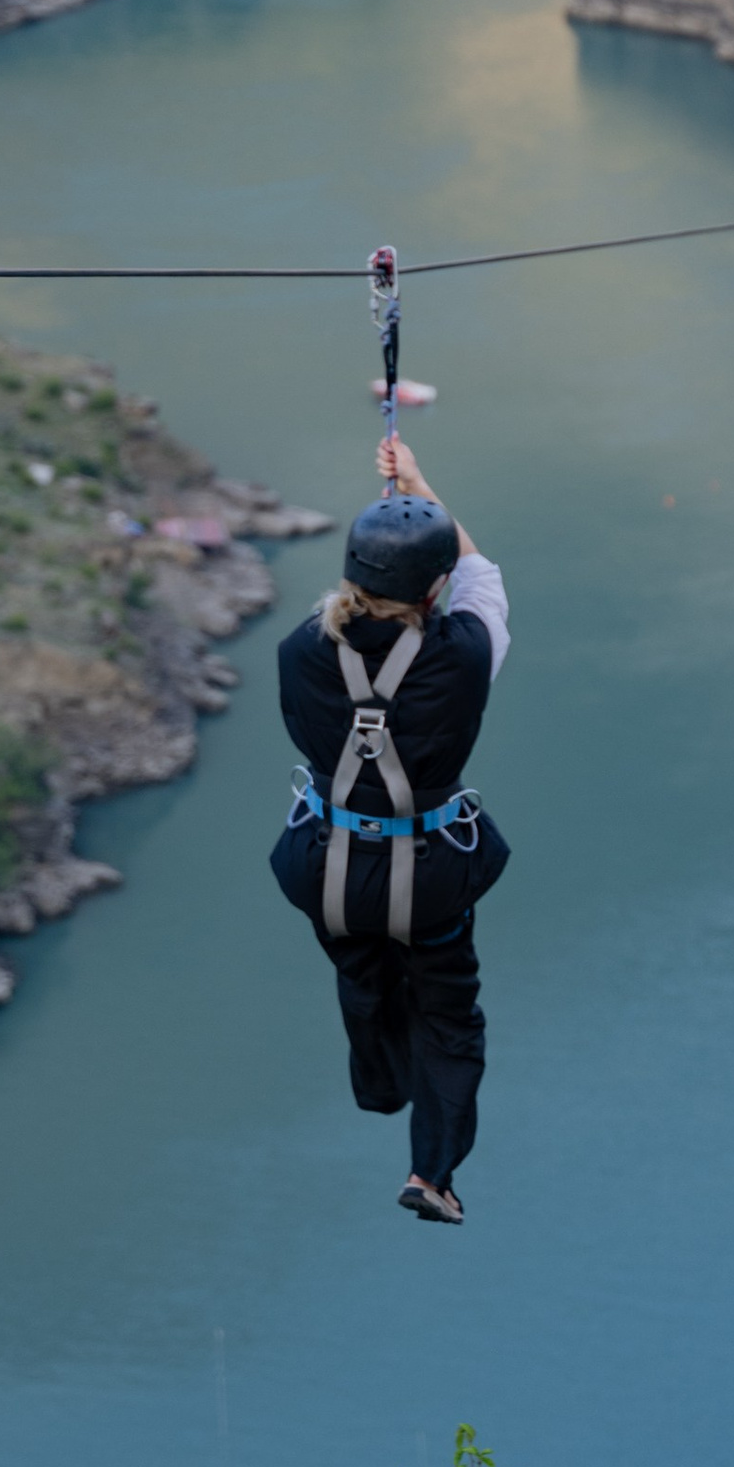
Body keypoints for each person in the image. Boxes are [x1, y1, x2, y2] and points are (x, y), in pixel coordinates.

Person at [269, 433, 511, 1223]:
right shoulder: (465, 654)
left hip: (328, 869)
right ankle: (431, 1173)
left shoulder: (299, 652)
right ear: (433, 589)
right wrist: (420, 484)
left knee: (362, 970)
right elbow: (480, 575)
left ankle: (378, 1085)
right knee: (447, 1017)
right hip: (430, 876)